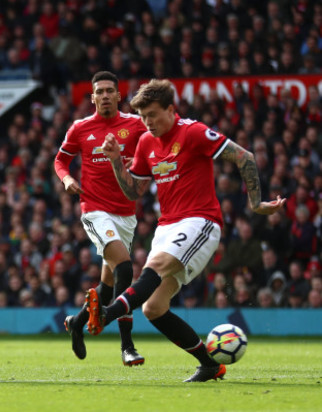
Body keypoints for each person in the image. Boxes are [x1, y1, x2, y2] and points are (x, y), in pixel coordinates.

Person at [91, 79, 285, 382]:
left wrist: (257, 203)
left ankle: (107, 314)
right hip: (166, 226)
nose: (148, 122)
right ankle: (210, 365)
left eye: (153, 114)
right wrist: (117, 161)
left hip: (201, 222)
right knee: (154, 308)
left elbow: (244, 156)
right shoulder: (145, 142)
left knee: (152, 267)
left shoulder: (192, 132)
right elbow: (133, 191)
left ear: (171, 110)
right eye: (143, 117)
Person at [54, 71, 148, 365]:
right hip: (94, 209)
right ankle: (127, 346)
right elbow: (60, 160)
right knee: (124, 268)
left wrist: (136, 161)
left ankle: (77, 323)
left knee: (107, 286)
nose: (105, 95)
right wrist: (67, 178)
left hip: (126, 213)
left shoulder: (134, 125)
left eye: (110, 90)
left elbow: (149, 155)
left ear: (119, 96)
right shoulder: (80, 128)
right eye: (100, 91)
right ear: (93, 98)